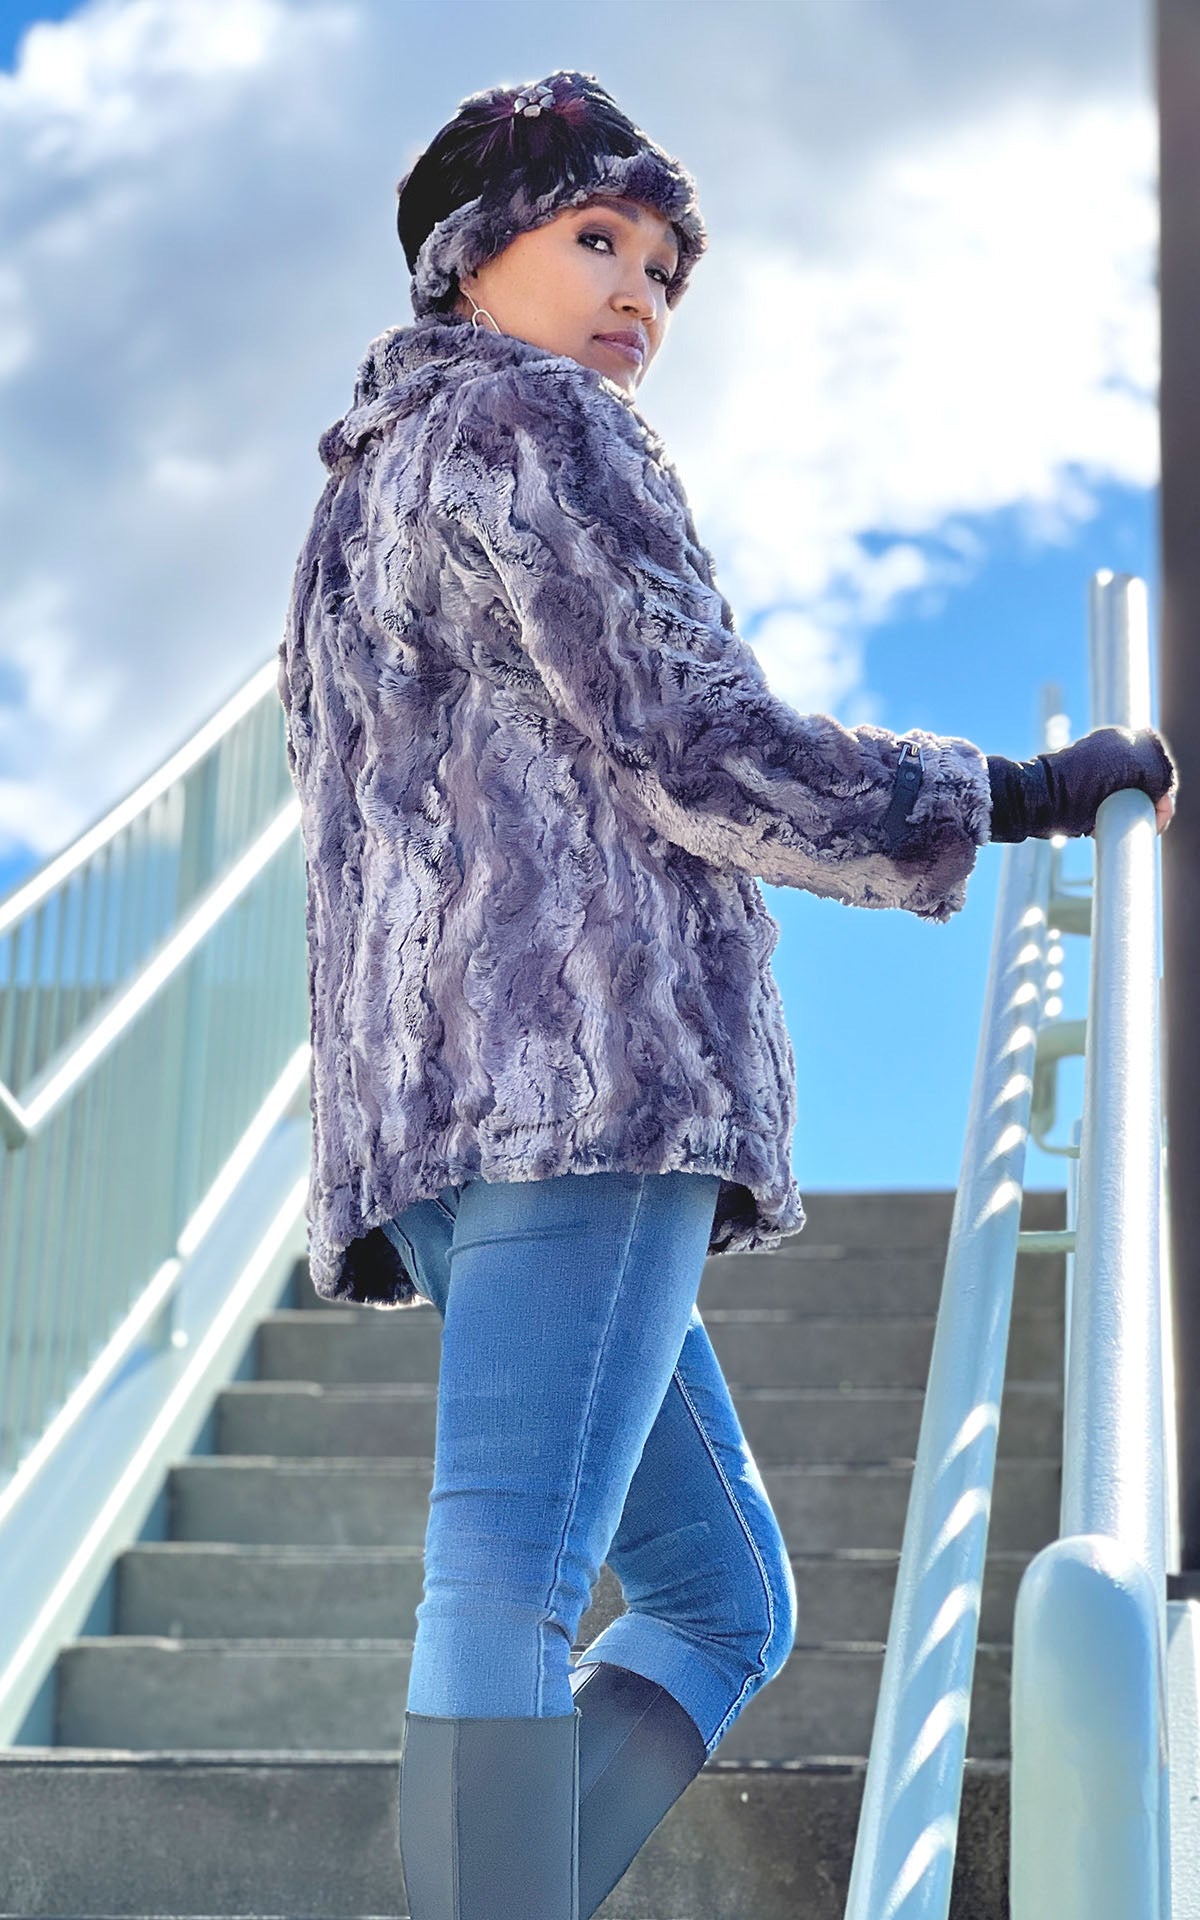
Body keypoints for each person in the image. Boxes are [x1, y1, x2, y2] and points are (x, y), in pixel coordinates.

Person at [275, 68, 1179, 1920]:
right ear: (470, 261)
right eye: (595, 239)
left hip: (439, 1120)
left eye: (668, 271)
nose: (638, 296)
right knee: (513, 1579)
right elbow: (693, 737)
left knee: (722, 1596)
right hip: (592, 1082)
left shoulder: (362, 491)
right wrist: (1001, 796)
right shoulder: (542, 431)